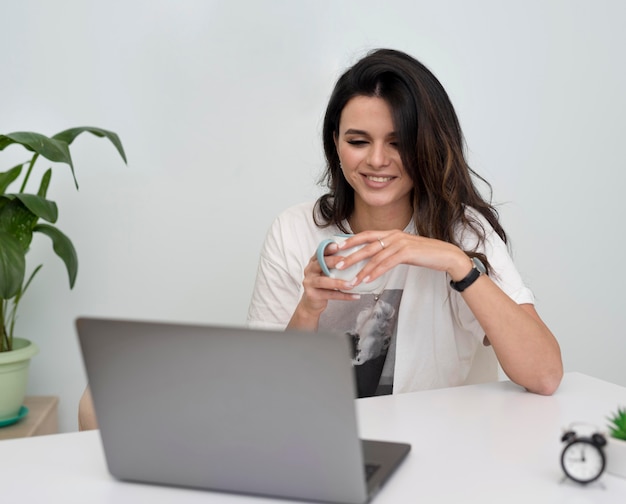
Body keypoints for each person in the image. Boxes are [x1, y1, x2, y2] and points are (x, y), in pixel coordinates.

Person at [247, 48, 563, 397]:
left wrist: (457, 263)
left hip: (435, 444)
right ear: (335, 142)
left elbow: (544, 375)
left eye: (398, 143)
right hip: (322, 442)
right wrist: (308, 309)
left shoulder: (463, 231)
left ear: (429, 145)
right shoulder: (293, 230)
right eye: (358, 141)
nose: (377, 160)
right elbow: (267, 391)